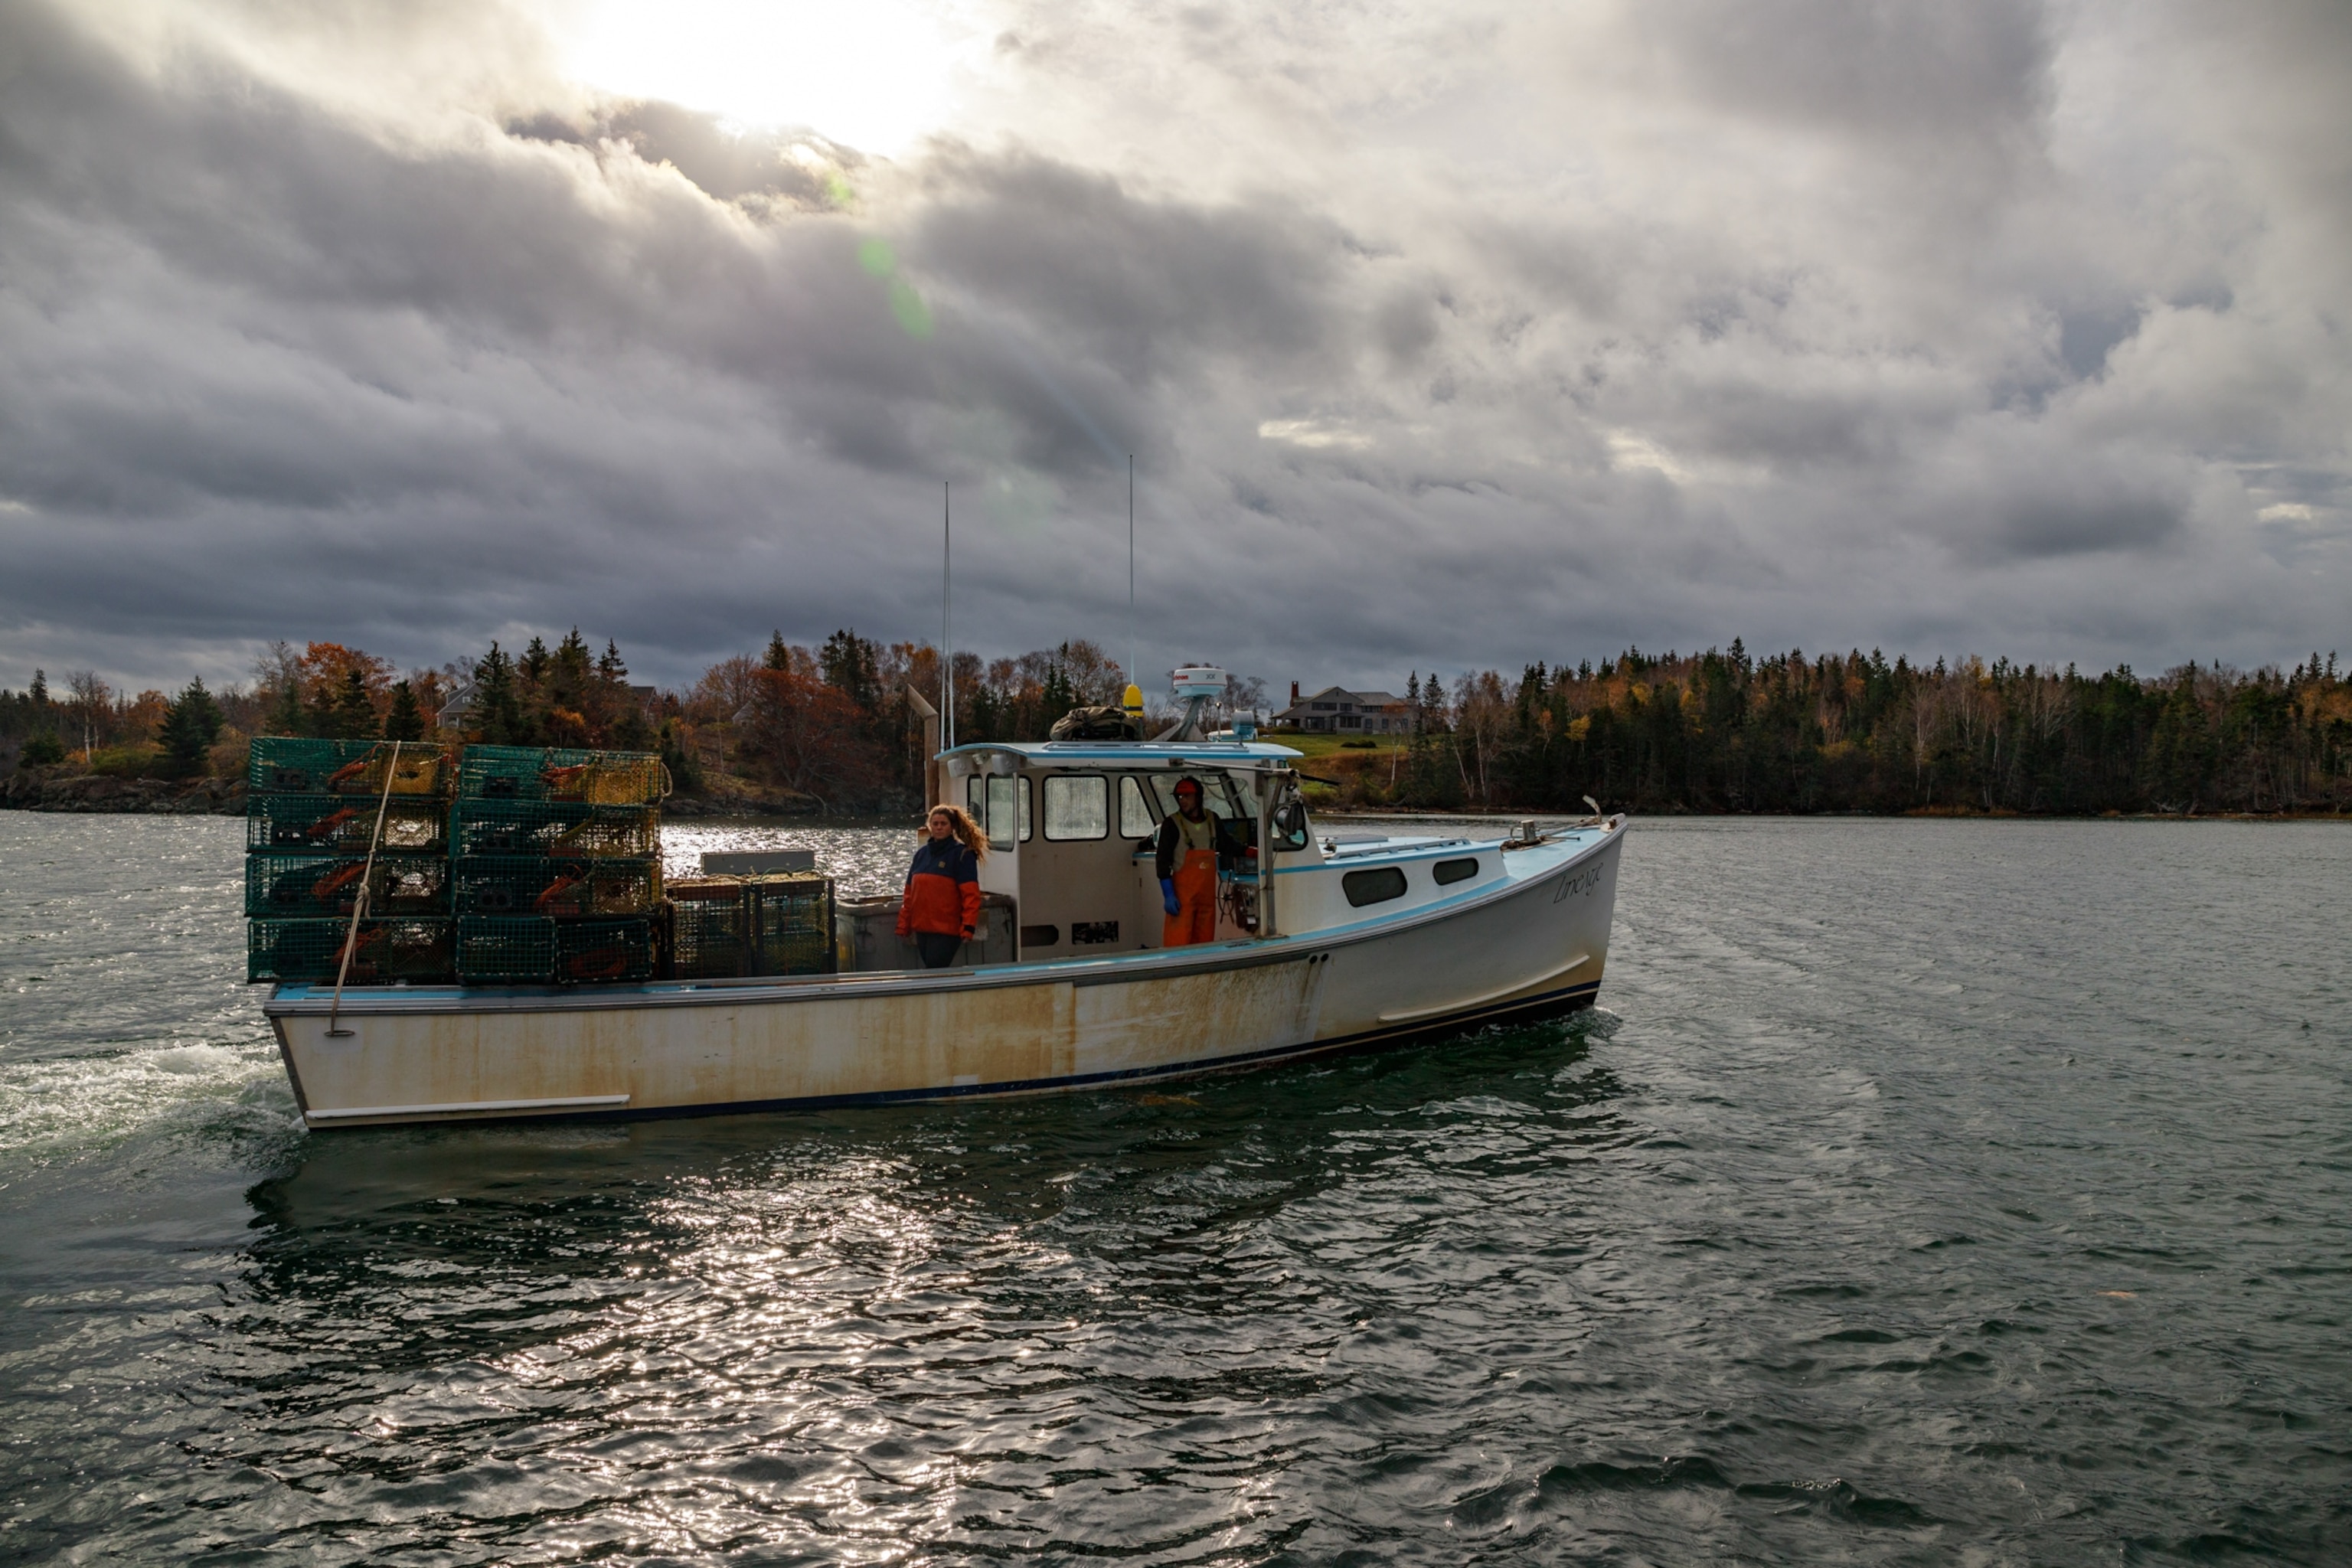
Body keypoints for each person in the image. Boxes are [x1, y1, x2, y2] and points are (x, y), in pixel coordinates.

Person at [897, 803, 985, 968]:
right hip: (923, 928)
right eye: (935, 824)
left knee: (935, 970)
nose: (939, 828)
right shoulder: (921, 854)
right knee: (932, 972)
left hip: (947, 930)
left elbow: (971, 895)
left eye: (943, 824)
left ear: (952, 827)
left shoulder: (962, 854)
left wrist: (968, 926)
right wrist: (904, 924)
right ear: (929, 826)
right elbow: (909, 894)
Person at [1155, 776, 1219, 947]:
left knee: (1205, 946)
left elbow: (1228, 844)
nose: (1182, 800)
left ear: (1198, 797)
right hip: (1182, 903)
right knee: (1177, 945)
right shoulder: (1171, 824)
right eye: (1179, 797)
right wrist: (1168, 894)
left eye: (1187, 796)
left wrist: (1250, 852)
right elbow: (1162, 861)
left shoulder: (1213, 820)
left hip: (1207, 903)